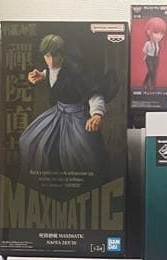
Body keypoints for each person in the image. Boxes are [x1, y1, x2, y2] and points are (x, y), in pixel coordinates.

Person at [20, 33, 113, 183]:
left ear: (62, 55)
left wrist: (97, 114)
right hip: (57, 114)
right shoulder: (53, 67)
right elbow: (54, 75)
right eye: (47, 56)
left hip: (76, 118)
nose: (50, 61)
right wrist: (42, 75)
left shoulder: (77, 72)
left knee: (79, 156)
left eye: (54, 56)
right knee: (28, 140)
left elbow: (93, 93)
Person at [142, 16, 167, 90]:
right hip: (149, 58)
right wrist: (146, 55)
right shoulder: (148, 43)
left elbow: (157, 51)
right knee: (151, 71)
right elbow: (144, 50)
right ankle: (151, 85)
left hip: (156, 58)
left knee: (153, 71)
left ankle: (146, 83)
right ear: (148, 31)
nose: (159, 36)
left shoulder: (158, 44)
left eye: (161, 33)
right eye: (156, 32)